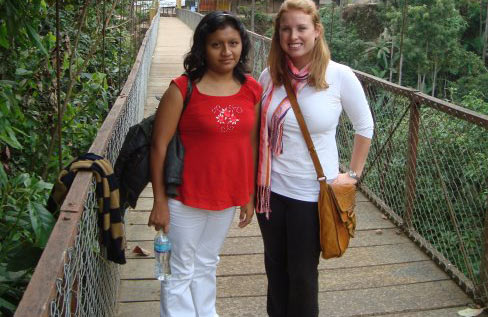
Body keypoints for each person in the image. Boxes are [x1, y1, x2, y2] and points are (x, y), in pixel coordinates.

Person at [255, 0, 374, 316]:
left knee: (303, 276)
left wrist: (353, 174)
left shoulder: (339, 75)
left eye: (301, 28)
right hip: (270, 194)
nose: (293, 36)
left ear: (317, 31)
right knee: (275, 271)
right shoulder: (269, 76)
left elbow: (365, 126)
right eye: (286, 29)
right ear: (278, 34)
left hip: (311, 196)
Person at [148, 11, 262, 317]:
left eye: (233, 43)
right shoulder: (182, 88)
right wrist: (159, 201)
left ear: (242, 46)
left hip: (226, 195)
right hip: (185, 196)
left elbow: (250, 144)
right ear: (203, 47)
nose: (227, 52)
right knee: (180, 269)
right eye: (217, 44)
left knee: (207, 262)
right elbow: (158, 147)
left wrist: (248, 194)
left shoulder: (252, 88)